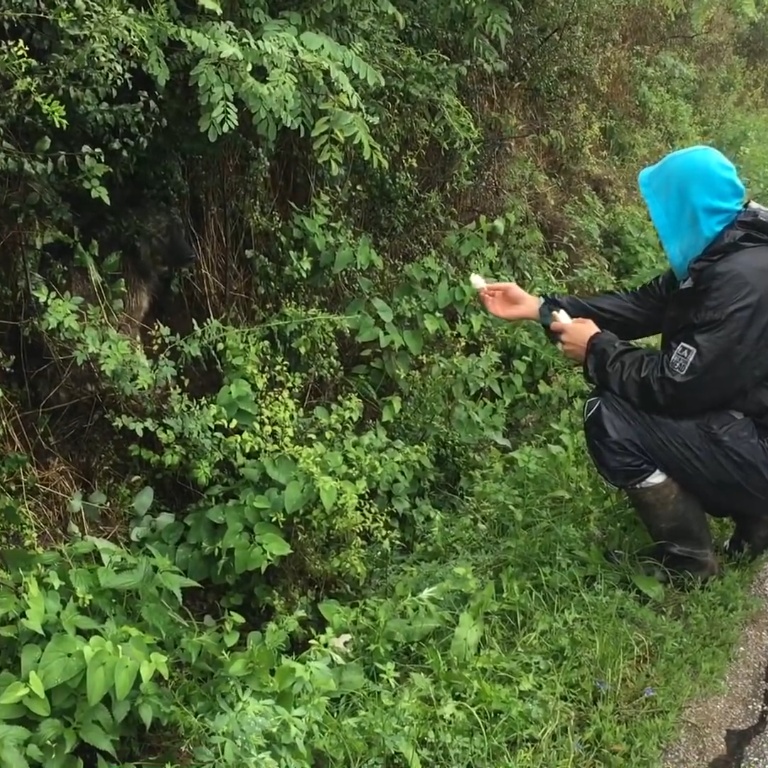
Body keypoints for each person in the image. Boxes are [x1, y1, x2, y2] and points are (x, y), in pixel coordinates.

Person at [477, 145, 768, 582]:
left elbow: (677, 385)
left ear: (686, 207)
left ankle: (690, 564)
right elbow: (640, 306)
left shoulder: (738, 282)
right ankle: (756, 521)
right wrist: (541, 307)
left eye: (662, 212)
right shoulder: (729, 252)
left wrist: (596, 350)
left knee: (611, 416)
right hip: (755, 425)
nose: (657, 226)